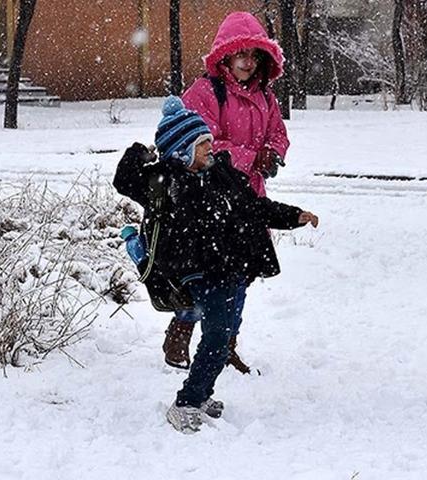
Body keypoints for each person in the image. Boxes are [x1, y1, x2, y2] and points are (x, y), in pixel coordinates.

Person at [114, 96, 318, 433]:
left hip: (234, 267)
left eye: (209, 140)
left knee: (222, 337)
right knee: (217, 338)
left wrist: (294, 215)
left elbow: (257, 207)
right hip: (201, 271)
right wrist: (141, 152)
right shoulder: (166, 183)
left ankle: (202, 392)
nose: (210, 147)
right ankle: (186, 403)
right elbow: (125, 180)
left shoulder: (223, 175)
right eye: (202, 143)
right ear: (182, 150)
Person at [161, 11, 290, 371]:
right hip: (211, 201)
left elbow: (278, 134)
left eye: (254, 55)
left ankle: (225, 343)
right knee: (206, 273)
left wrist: (274, 153)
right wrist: (251, 156)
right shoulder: (205, 92)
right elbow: (200, 144)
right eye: (241, 54)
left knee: (242, 274)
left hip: (249, 199)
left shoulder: (266, 96)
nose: (248, 62)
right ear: (225, 56)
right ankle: (183, 329)